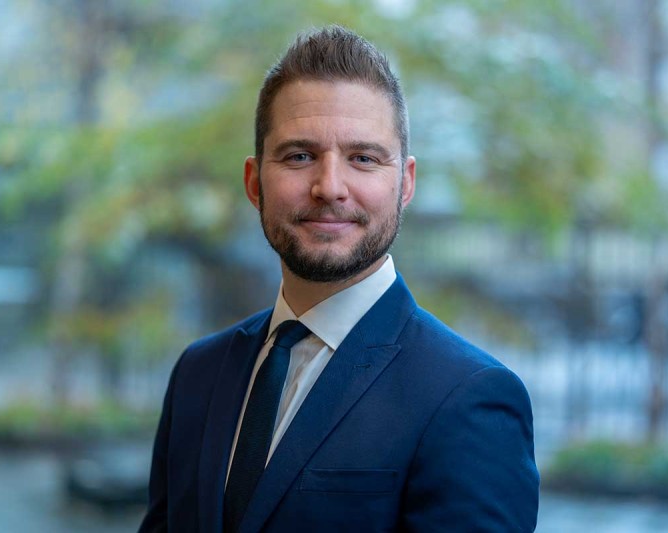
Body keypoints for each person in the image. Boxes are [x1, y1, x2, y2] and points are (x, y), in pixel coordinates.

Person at [140, 25, 539, 533]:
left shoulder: (469, 397)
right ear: (254, 182)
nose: (329, 187)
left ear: (405, 184)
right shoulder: (198, 374)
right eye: (299, 156)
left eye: (363, 158)